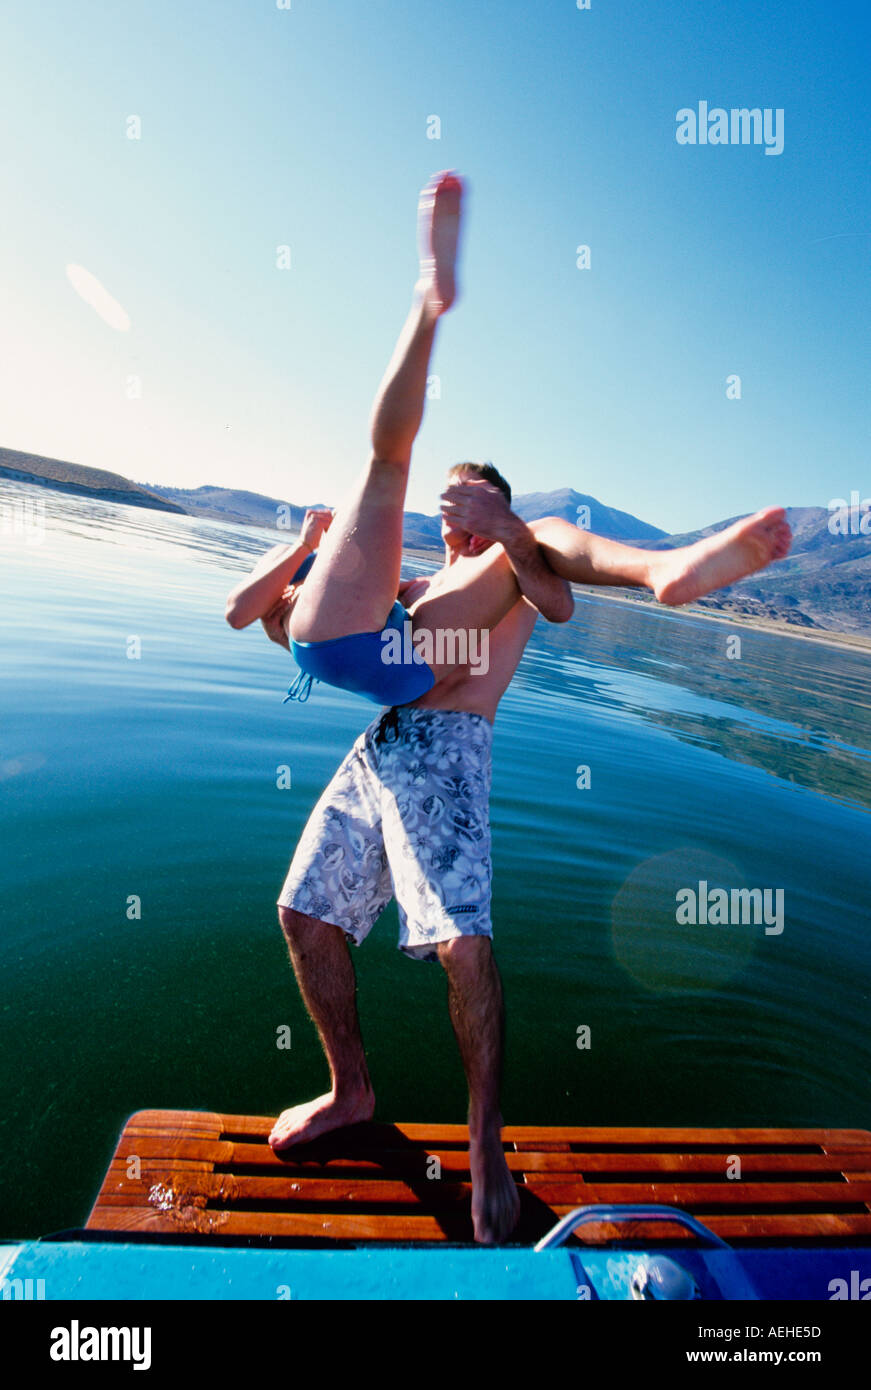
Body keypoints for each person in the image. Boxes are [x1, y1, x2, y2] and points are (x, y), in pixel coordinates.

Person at [225, 171, 792, 1243]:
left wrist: (508, 524)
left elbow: (561, 598)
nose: (453, 529)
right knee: (303, 913)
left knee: (463, 946)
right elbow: (270, 614)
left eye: (465, 510)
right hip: (376, 738)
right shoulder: (424, 581)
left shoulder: (510, 566)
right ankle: (354, 1090)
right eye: (449, 515)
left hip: (446, 751)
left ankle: (485, 1138)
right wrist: (304, 558)